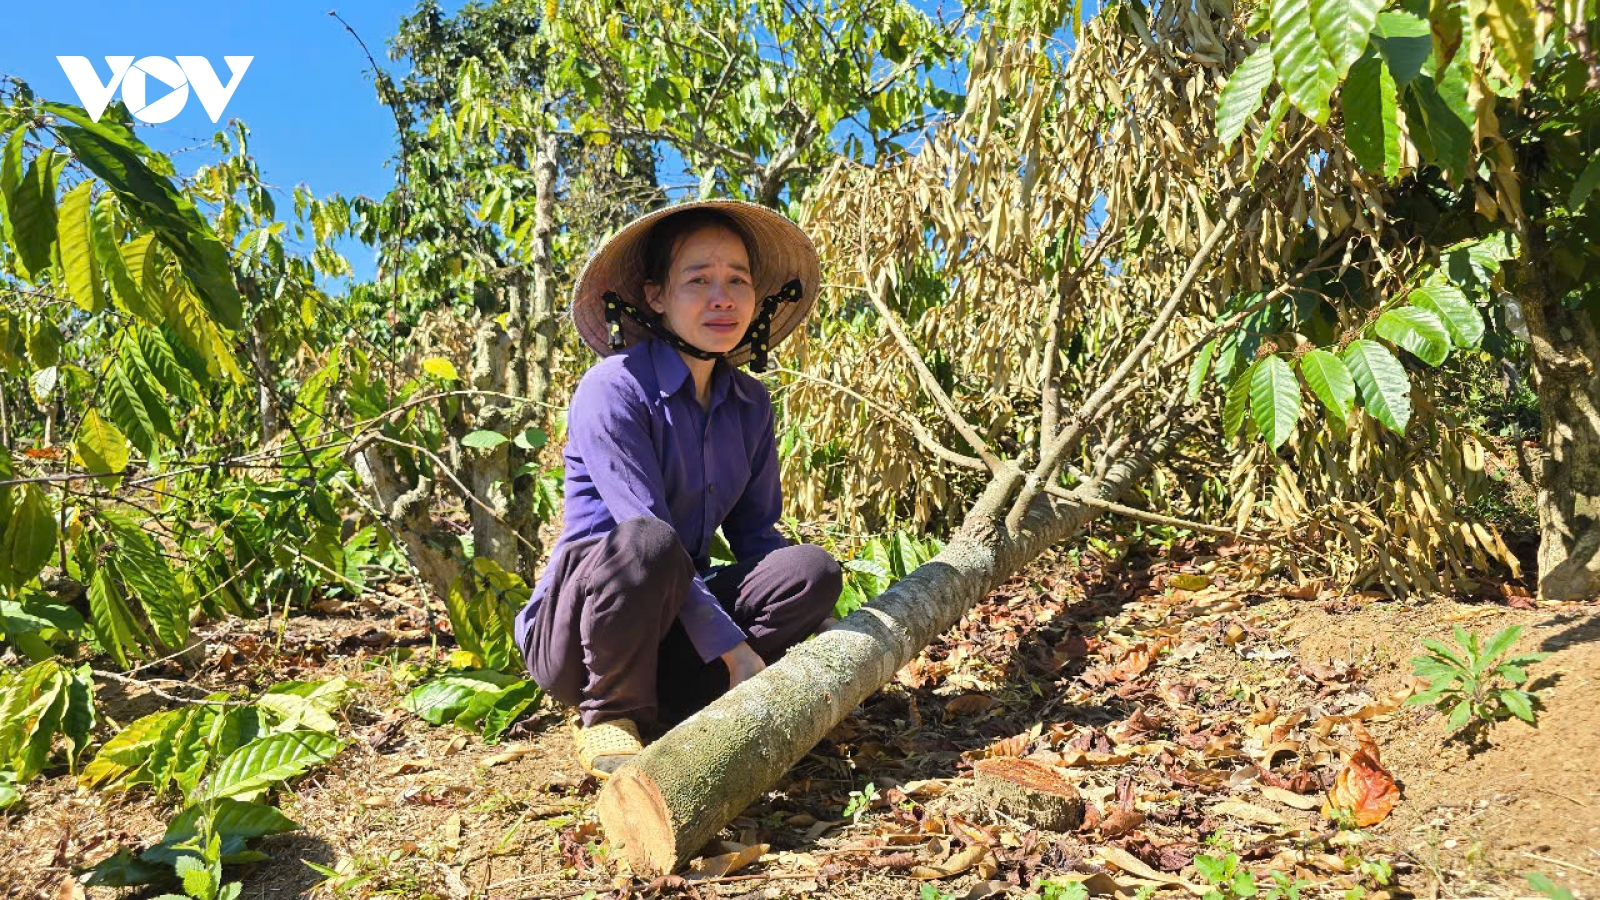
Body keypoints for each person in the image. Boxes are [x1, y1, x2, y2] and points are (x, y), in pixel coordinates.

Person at [514, 200, 843, 778]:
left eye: (737, 281)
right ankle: (610, 714)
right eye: (699, 280)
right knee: (650, 541)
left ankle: (677, 699)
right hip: (582, 633)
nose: (723, 297)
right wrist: (737, 647)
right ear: (656, 297)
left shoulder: (749, 404)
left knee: (811, 570)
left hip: (673, 630)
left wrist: (820, 626)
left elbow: (757, 538)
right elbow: (642, 534)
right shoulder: (613, 388)